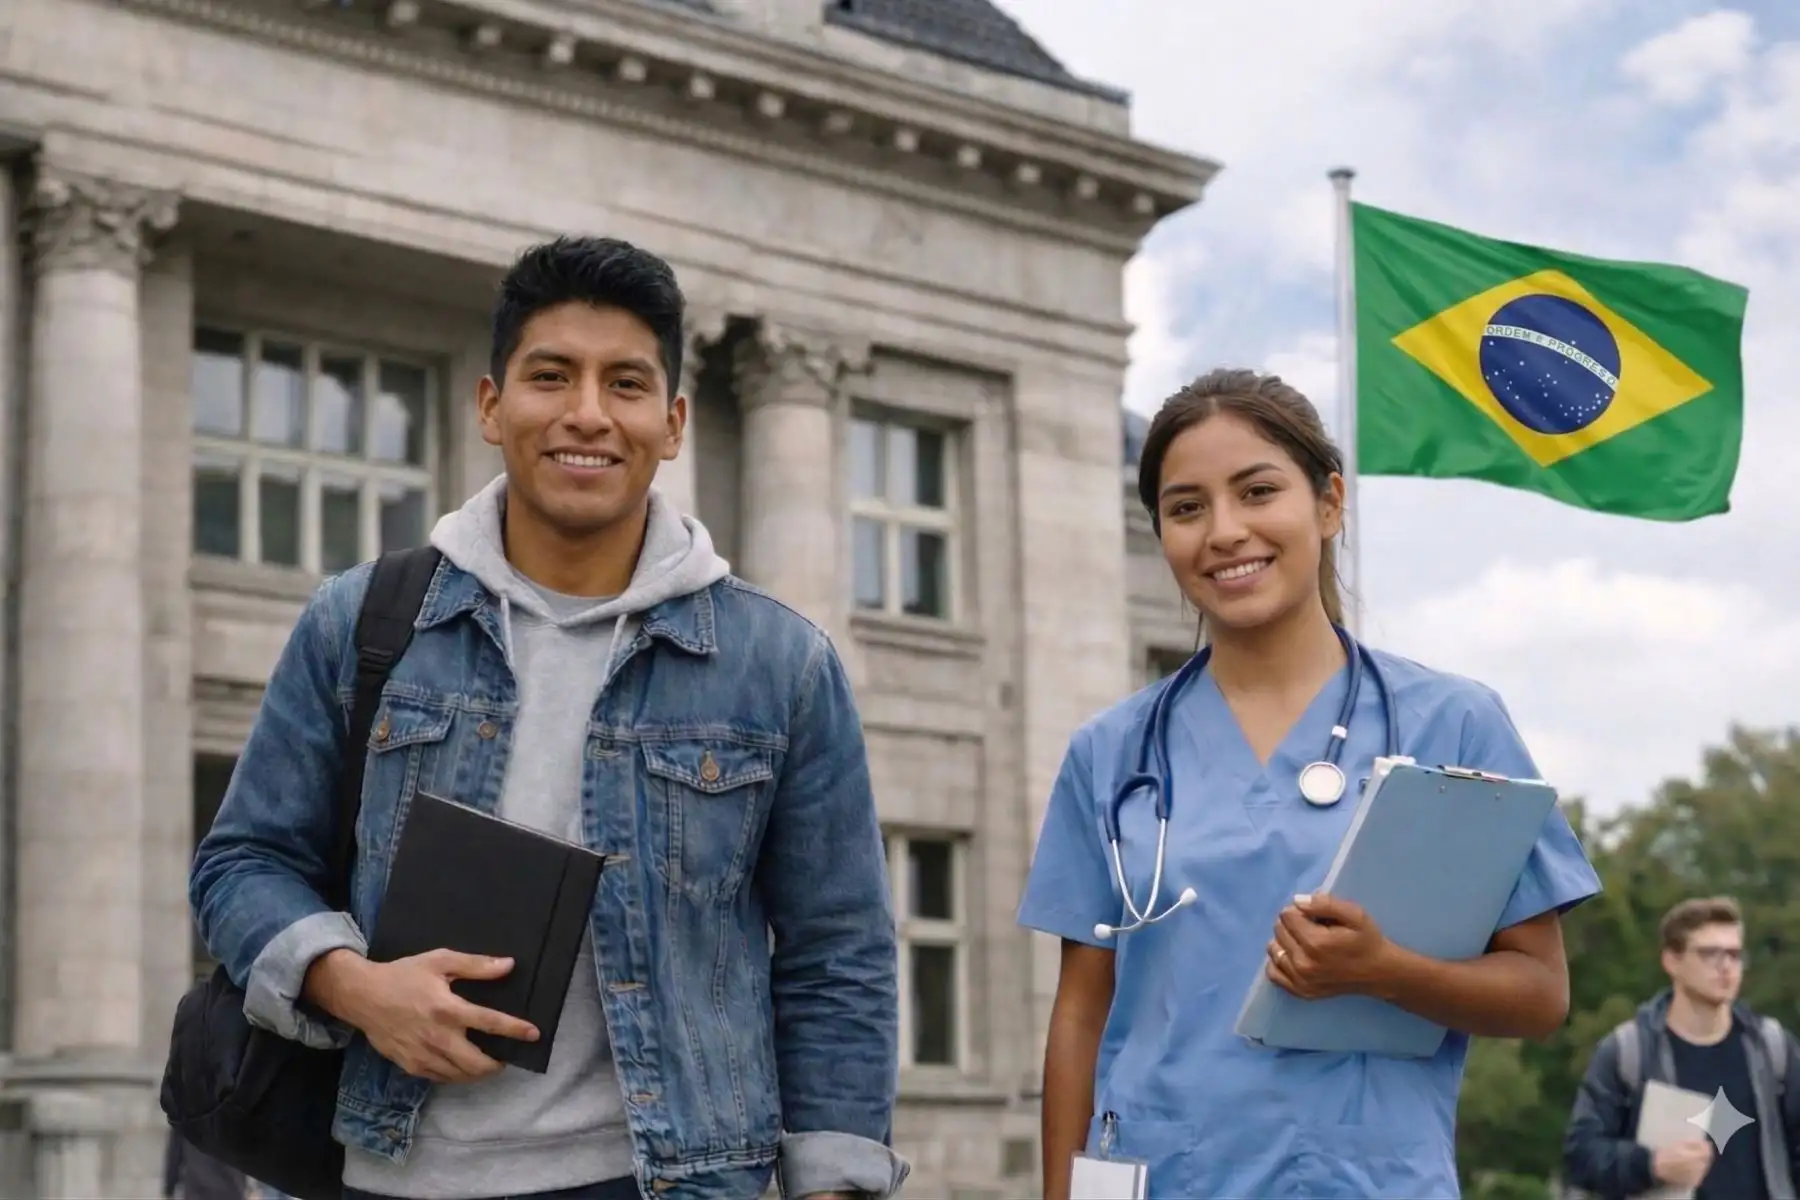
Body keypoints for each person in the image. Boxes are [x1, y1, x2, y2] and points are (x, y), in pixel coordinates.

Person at [190, 236, 907, 1200]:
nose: (587, 414)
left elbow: (839, 957)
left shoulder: (780, 664)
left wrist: (833, 1187)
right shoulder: (362, 623)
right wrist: (351, 984)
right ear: (492, 406)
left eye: (626, 383)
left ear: (672, 423)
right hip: (391, 1173)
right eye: (551, 376)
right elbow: (241, 863)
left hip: (667, 1179)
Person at [1017, 368, 1604, 1199]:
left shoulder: (1453, 724)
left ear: (1329, 503)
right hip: (1162, 1176)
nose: (1225, 531)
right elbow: (1081, 1014)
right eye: (1187, 508)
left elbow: (1540, 995)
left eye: (1257, 492)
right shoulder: (1110, 753)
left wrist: (1384, 970)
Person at [1562, 896, 1800, 1199]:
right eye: (1709, 954)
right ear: (1671, 961)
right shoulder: (1629, 1051)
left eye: (1734, 954)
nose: (1726, 966)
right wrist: (1650, 1164)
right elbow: (1581, 1155)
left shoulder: (1771, 1047)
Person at [163, 1126, 247, 1200]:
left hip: (198, 1189)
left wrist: (169, 1189)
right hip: (231, 1187)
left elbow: (175, 1152)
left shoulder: (184, 1115)